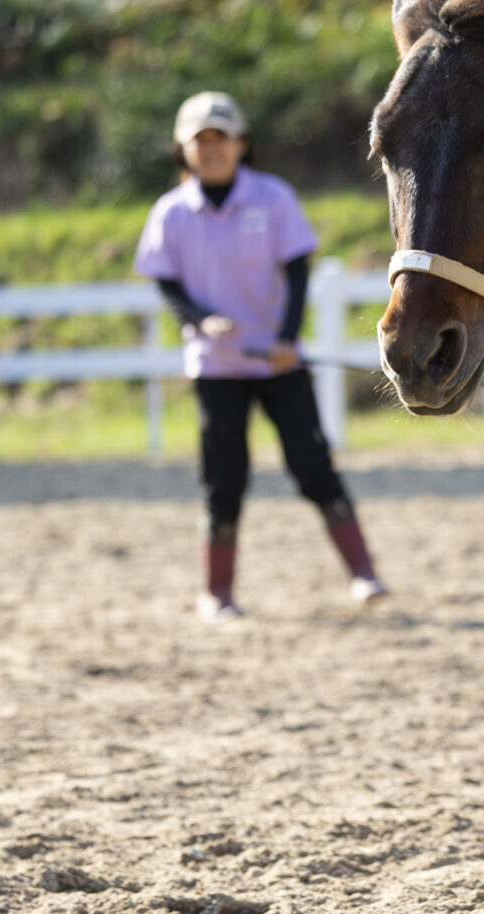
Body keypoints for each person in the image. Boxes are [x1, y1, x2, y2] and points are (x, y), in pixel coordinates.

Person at [134, 91, 386, 622]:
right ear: (183, 150)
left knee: (311, 464)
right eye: (200, 141)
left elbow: (297, 271)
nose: (212, 150)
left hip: (278, 363)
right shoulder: (172, 213)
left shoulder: (272, 199)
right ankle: (217, 593)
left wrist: (285, 339)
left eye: (220, 139)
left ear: (241, 144)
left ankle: (364, 574)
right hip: (216, 366)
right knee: (223, 478)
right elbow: (166, 282)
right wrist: (198, 320)